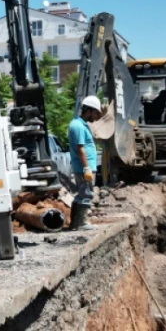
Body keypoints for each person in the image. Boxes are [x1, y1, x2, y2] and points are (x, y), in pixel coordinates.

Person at [67, 95, 103, 230]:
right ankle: (81, 223)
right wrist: (87, 168)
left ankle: (75, 223)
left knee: (82, 194)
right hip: (83, 168)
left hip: (84, 167)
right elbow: (80, 149)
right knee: (86, 194)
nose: (97, 116)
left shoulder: (80, 125)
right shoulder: (78, 126)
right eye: (96, 113)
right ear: (90, 110)